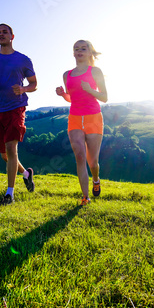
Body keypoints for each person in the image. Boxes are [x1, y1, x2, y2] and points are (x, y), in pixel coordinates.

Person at [0, 23, 37, 205]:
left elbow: (34, 84)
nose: (1, 34)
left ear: (12, 36)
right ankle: (26, 174)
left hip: (16, 108)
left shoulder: (23, 60)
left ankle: (9, 194)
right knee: (5, 155)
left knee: (12, 149)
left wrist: (23, 88)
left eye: (5, 32)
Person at [56, 40, 108, 205]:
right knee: (80, 156)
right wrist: (64, 95)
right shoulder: (67, 75)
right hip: (75, 118)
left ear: (90, 52)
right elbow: (72, 99)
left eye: (83, 49)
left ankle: (96, 179)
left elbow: (104, 97)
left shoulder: (96, 71)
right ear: (73, 53)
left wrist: (90, 90)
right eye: (76, 49)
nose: (79, 51)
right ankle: (85, 197)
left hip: (93, 117)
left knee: (92, 161)